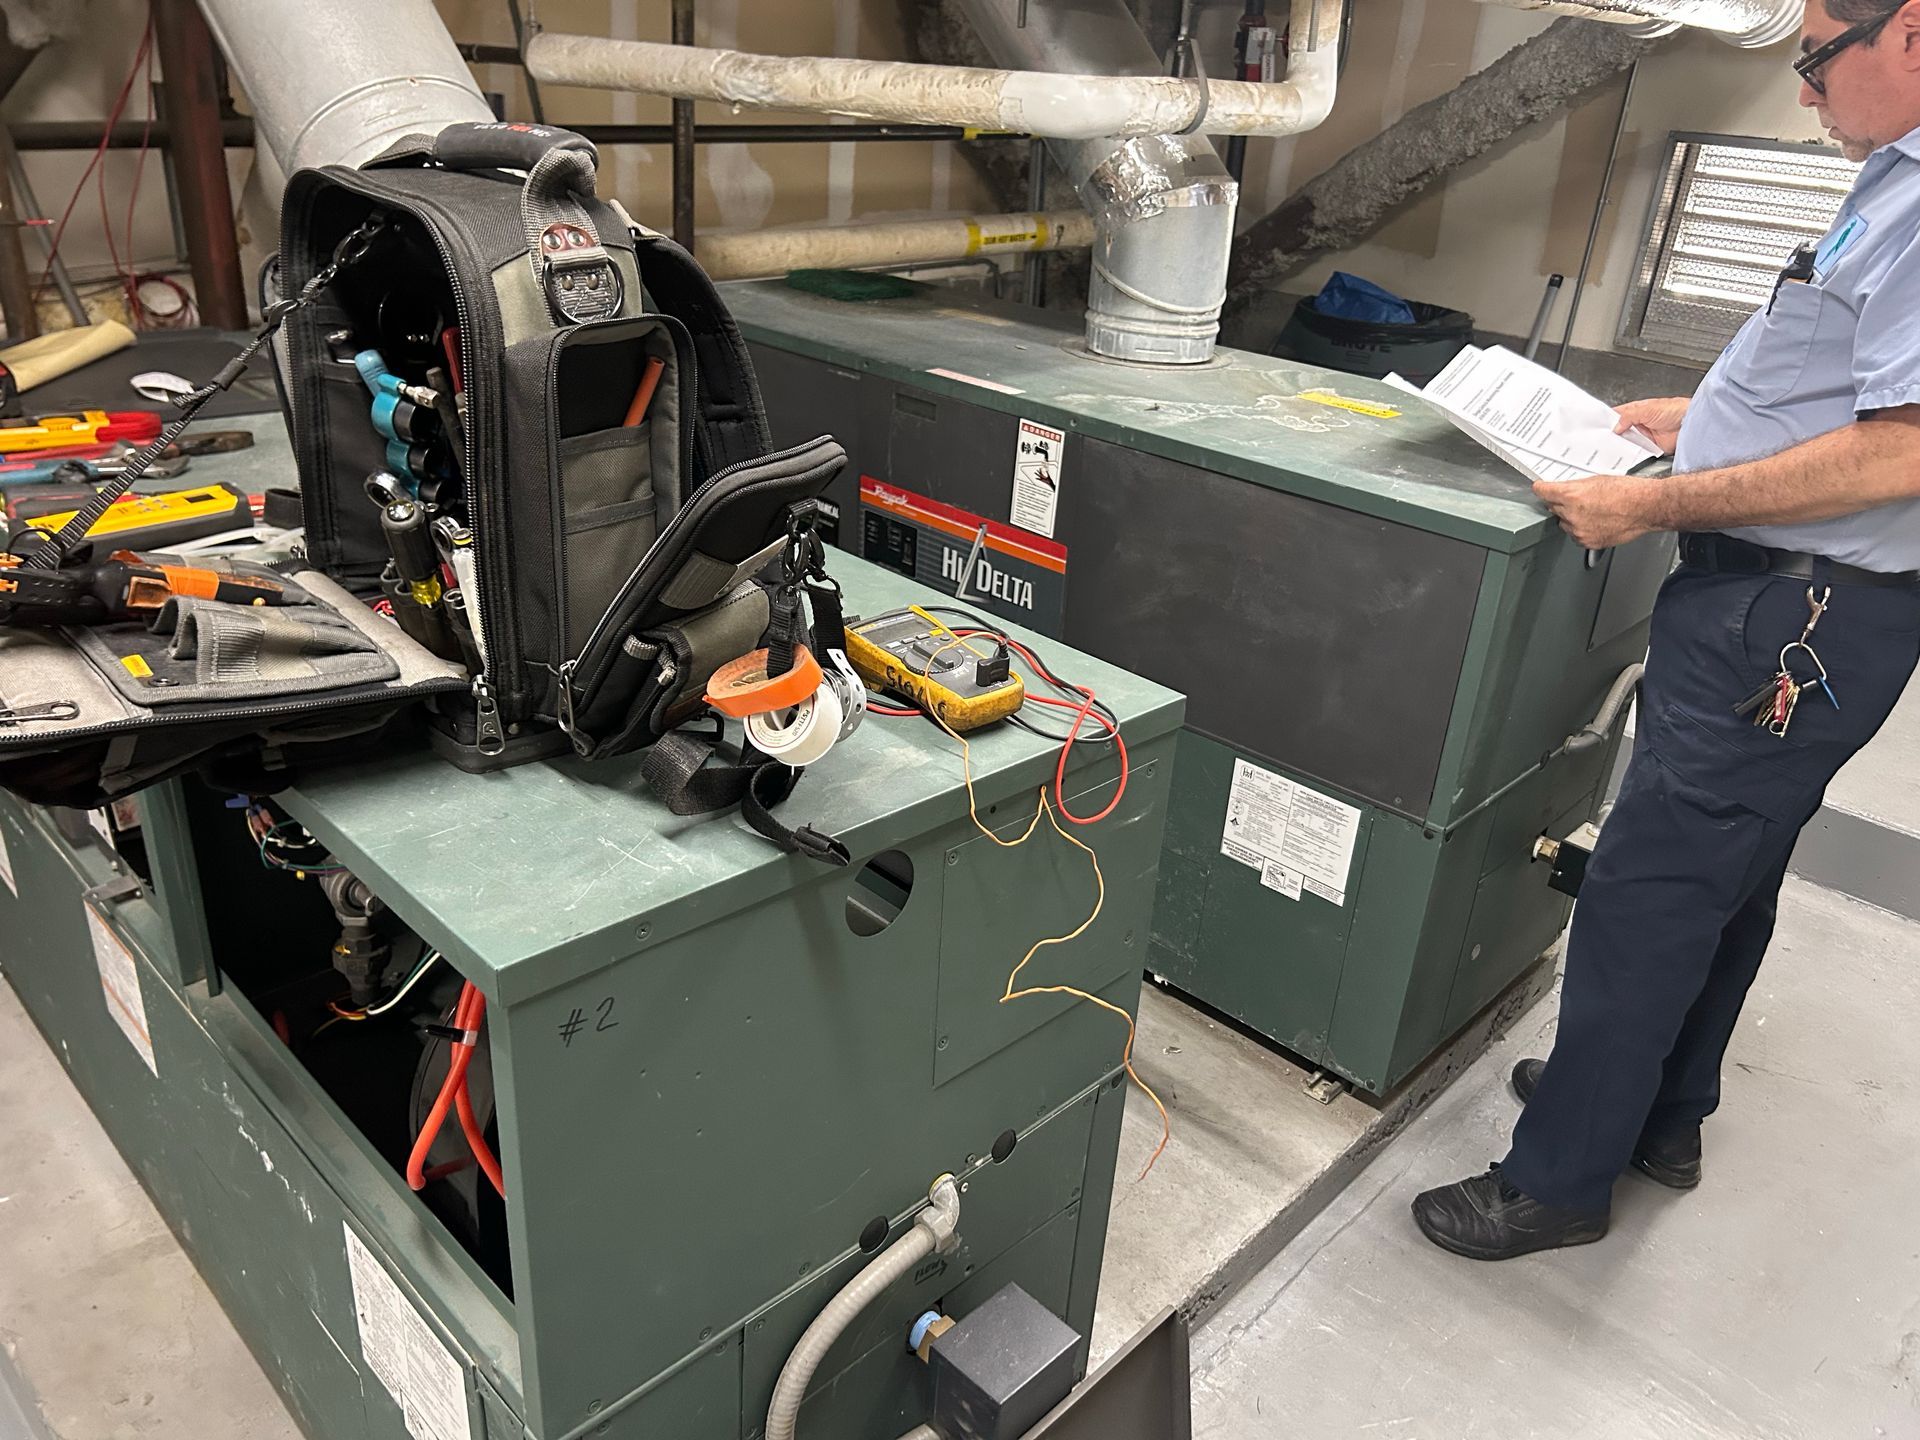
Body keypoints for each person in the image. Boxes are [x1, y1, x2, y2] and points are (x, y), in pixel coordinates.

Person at [1412, 0, 1920, 1260]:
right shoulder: (1892, 184)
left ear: (1908, 30)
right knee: (1727, 879)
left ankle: (1558, 1182)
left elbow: (1899, 451)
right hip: (1805, 602)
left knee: (1647, 890)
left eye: (1813, 62)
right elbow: (1838, 375)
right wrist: (1702, 415)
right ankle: (1657, 1115)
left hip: (1790, 612)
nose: (1804, 94)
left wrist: (1653, 507)